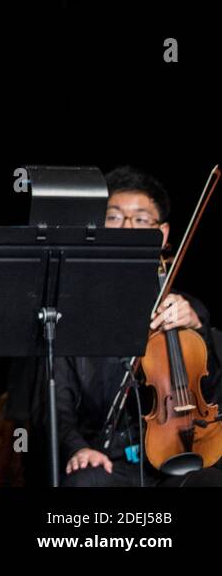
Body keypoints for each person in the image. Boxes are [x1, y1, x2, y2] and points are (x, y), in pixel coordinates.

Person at [58, 166, 221, 487]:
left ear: (162, 235)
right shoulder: (71, 316)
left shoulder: (187, 309)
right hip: (108, 461)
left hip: (183, 454)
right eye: (114, 217)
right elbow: (57, 407)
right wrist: (78, 449)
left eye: (141, 220)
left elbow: (213, 394)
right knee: (87, 482)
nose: (127, 228)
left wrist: (199, 330)